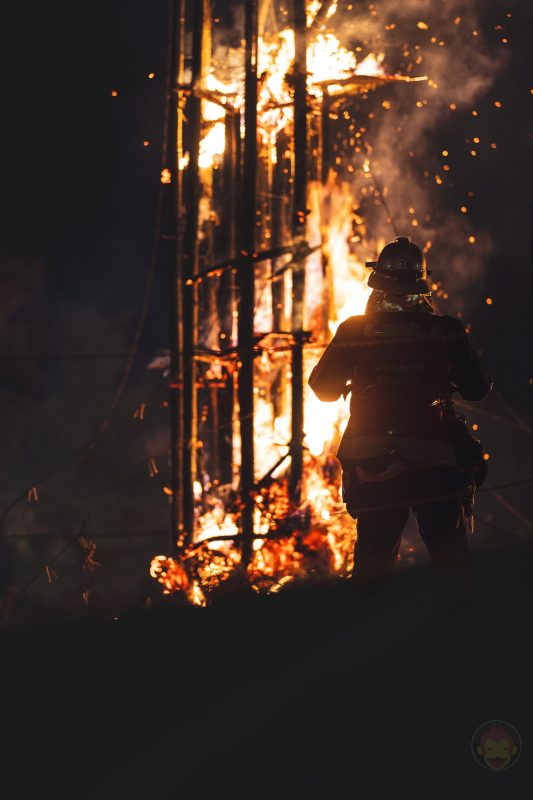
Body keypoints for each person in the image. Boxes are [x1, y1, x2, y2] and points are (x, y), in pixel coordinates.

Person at [308, 236, 492, 588]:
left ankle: (368, 636)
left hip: (373, 464)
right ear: (421, 284)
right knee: (452, 563)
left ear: (377, 283)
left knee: (373, 566)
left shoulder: (354, 331)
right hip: (434, 461)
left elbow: (323, 390)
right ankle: (465, 633)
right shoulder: (446, 331)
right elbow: (478, 388)